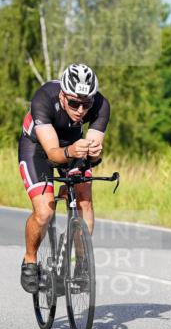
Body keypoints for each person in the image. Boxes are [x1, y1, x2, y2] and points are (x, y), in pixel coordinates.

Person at [18, 64, 110, 293]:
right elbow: (53, 154)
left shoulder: (100, 104)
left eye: (85, 104)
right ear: (62, 95)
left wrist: (95, 155)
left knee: (84, 199)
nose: (80, 110)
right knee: (45, 212)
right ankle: (29, 260)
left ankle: (81, 263)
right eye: (74, 103)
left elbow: (93, 148)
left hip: (72, 144)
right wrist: (72, 153)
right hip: (39, 147)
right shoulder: (43, 99)